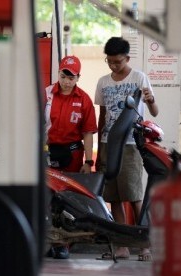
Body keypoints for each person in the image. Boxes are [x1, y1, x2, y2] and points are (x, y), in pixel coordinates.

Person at [95, 37, 159, 261]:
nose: (113, 66)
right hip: (107, 144)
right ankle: (122, 246)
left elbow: (155, 111)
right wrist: (98, 147)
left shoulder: (139, 78)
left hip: (131, 144)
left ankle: (144, 245)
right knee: (113, 196)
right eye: (109, 61)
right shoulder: (103, 82)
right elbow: (102, 115)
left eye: (117, 62)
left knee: (134, 195)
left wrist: (150, 101)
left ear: (127, 58)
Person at [44, 55, 98, 259]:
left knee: (69, 200)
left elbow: (88, 133)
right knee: (48, 199)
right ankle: (48, 240)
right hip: (48, 153)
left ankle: (65, 244)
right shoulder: (46, 94)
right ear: (58, 73)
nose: (66, 81)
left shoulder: (83, 100)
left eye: (71, 77)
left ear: (78, 77)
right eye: (63, 75)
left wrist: (88, 161)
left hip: (73, 153)